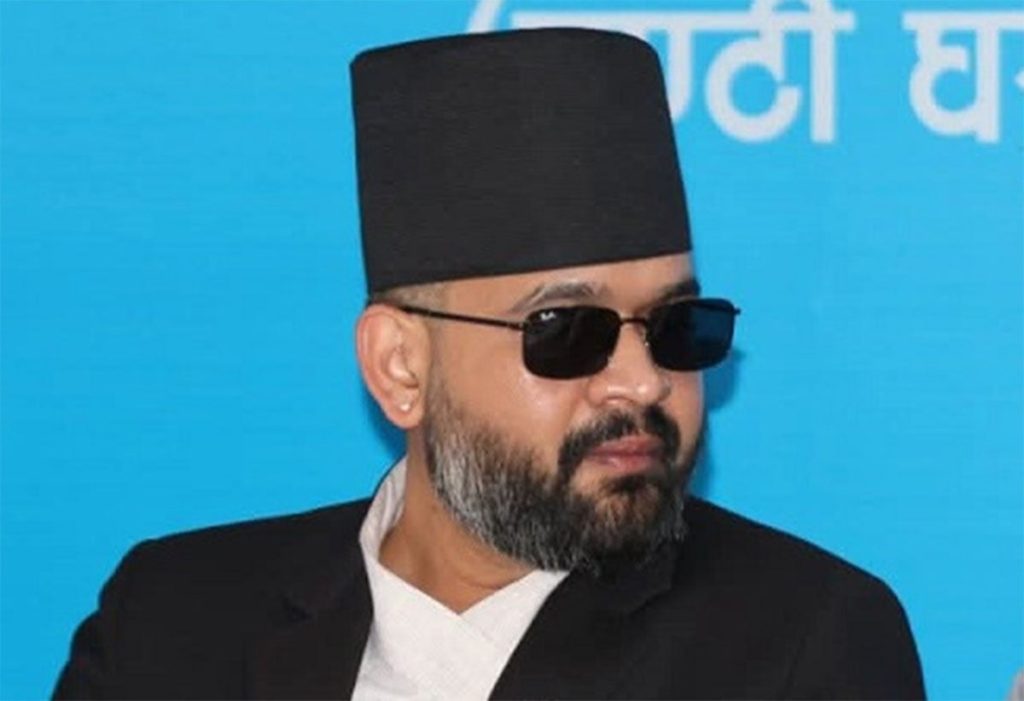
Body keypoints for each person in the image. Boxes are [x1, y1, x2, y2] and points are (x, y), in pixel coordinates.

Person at [54, 28, 925, 699]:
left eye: (675, 327)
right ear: (401, 366)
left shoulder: (801, 645)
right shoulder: (172, 621)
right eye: (567, 331)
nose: (642, 382)